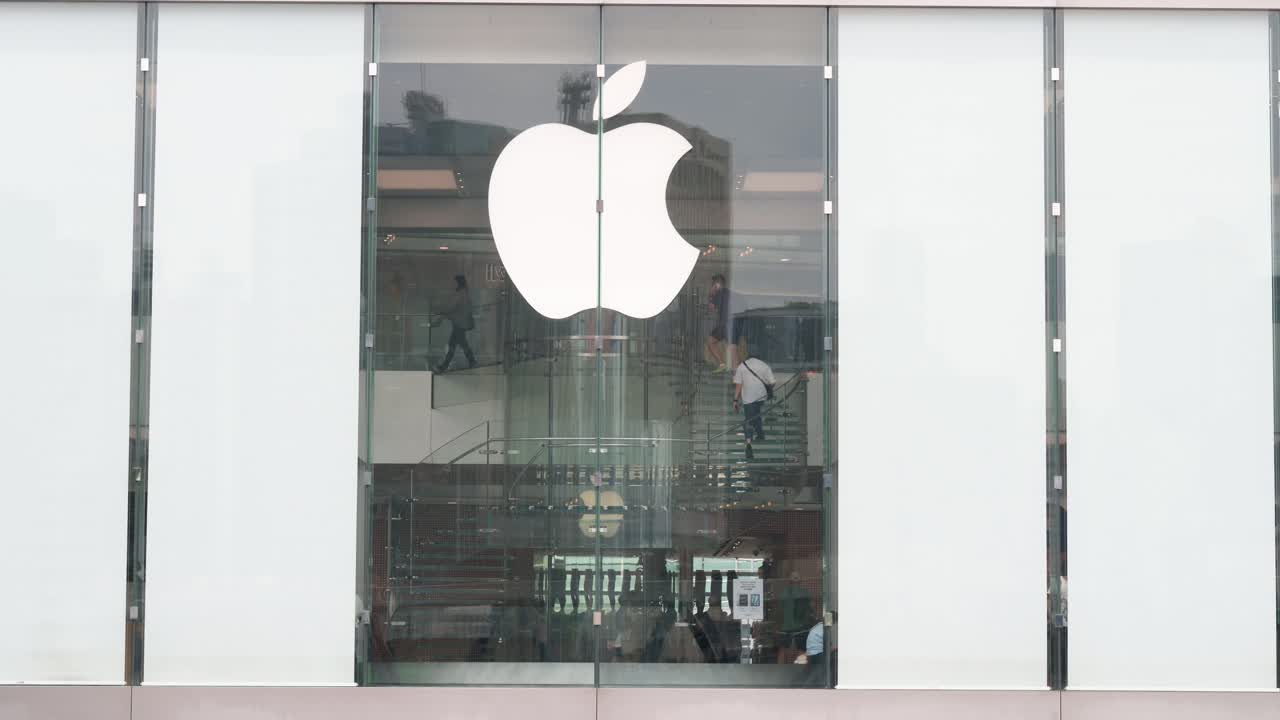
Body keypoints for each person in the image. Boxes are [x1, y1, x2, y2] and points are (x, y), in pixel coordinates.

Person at [733, 347, 775, 461]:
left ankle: (748, 444)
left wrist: (735, 400)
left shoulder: (742, 366)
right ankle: (760, 434)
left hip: (748, 398)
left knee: (748, 420)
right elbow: (772, 382)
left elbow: (738, 385)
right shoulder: (764, 366)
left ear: (748, 355)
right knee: (756, 414)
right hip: (761, 397)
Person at [435, 274, 476, 373]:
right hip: (460, 323)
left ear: (458, 283)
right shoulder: (464, 293)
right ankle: (445, 365)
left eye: (454, 282)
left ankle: (445, 366)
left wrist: (439, 310)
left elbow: (451, 307)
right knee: (456, 344)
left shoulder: (460, 294)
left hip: (459, 324)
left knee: (457, 345)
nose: (452, 284)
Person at [704, 274, 731, 373]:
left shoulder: (718, 293)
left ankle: (722, 364)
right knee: (732, 346)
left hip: (723, 323)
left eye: (713, 284)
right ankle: (734, 371)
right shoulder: (729, 292)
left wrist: (711, 295)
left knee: (711, 341)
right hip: (731, 323)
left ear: (717, 284)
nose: (711, 285)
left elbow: (711, 308)